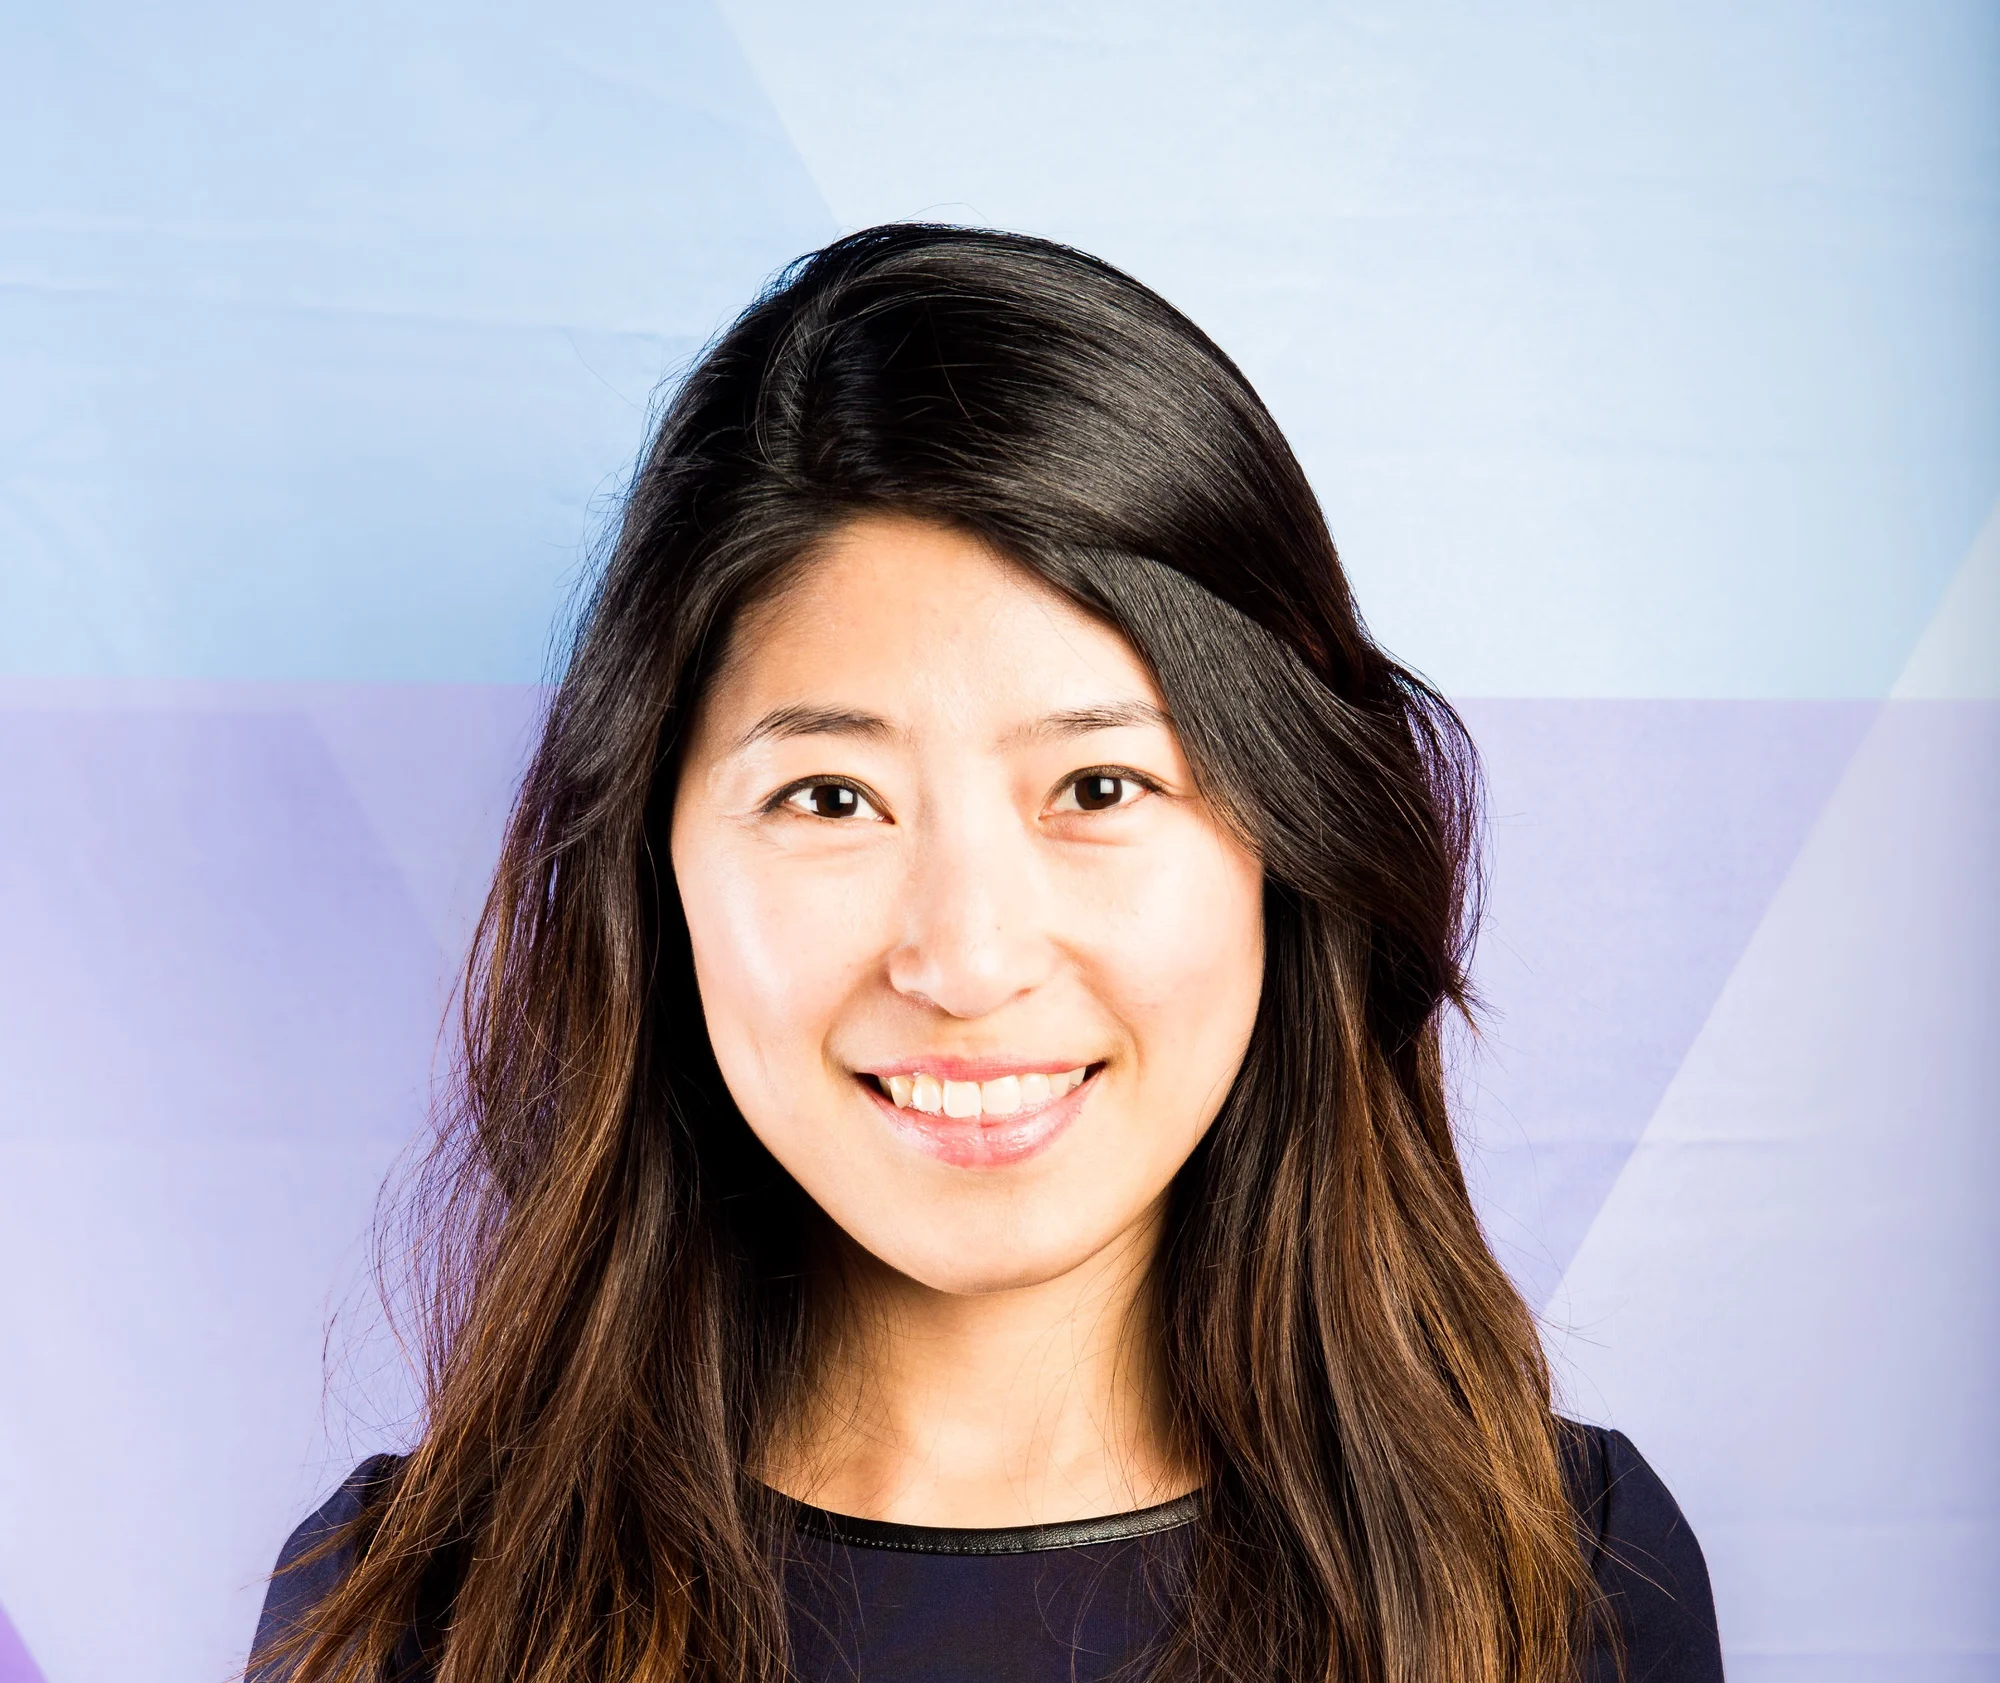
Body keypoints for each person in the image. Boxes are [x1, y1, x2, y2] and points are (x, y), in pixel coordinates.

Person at [249, 225, 1722, 1683]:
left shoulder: (1557, 1574)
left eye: (1099, 788)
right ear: (657, 865)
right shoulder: (420, 1620)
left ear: (1285, 843)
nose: (964, 958)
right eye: (832, 798)